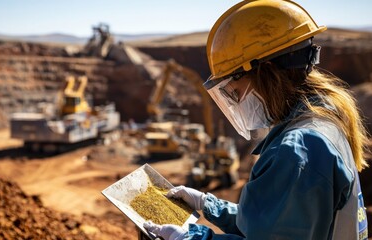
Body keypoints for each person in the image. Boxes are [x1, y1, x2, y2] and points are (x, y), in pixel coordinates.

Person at [143, 0, 370, 239]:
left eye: (235, 88)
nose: (235, 99)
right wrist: (206, 204)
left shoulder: (296, 152)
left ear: (266, 72)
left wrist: (188, 237)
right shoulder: (324, 120)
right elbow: (276, 221)